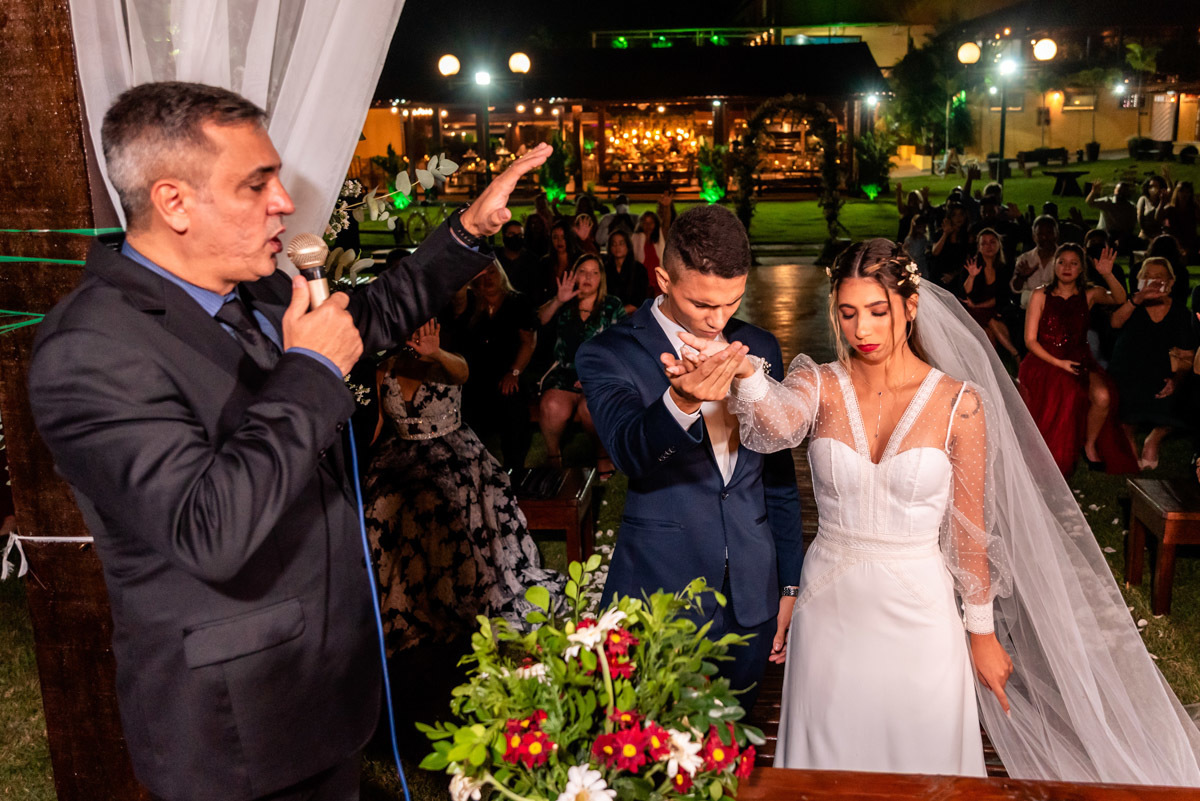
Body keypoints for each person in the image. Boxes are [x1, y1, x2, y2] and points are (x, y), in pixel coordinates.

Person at [25, 81, 549, 801]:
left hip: (326, 693)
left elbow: (369, 313)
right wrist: (310, 368)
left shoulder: (259, 290)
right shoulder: (91, 350)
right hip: (237, 733)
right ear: (173, 201)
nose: (284, 201)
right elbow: (210, 527)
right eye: (256, 183)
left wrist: (467, 232)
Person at [707, 238, 1200, 785]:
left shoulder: (958, 403)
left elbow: (969, 528)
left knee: (924, 765)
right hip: (831, 610)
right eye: (847, 313)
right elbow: (774, 425)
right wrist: (747, 376)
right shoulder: (818, 384)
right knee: (831, 767)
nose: (862, 330)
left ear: (910, 307)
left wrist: (982, 634)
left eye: (878, 311)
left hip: (920, 610)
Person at [576, 205, 803, 713]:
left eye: (732, 302)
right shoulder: (609, 352)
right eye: (701, 303)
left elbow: (779, 474)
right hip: (661, 593)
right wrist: (681, 402)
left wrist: (789, 581)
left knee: (733, 748)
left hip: (753, 589)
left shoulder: (759, 345)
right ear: (662, 279)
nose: (718, 319)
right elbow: (631, 452)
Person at [363, 319, 563, 655]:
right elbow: (379, 422)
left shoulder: (448, 360)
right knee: (380, 505)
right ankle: (403, 605)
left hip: (450, 451)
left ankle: (454, 598)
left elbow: (463, 374)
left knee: (439, 500)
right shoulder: (385, 366)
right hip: (400, 454)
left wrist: (436, 352)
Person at [1017, 243, 1137, 475]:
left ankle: (1089, 444)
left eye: (1074, 263)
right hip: (1045, 360)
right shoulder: (1040, 294)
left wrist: (1107, 274)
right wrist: (1058, 363)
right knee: (1067, 392)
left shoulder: (1089, 294)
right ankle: (1054, 456)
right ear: (1055, 266)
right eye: (1062, 262)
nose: (1067, 267)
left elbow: (1120, 298)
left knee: (1103, 396)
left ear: (1081, 268)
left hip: (1080, 359)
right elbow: (1030, 341)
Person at [536, 254, 626, 477]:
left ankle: (602, 455)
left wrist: (596, 375)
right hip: (564, 373)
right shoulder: (564, 302)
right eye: (583, 271)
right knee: (552, 405)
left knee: (591, 408)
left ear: (601, 278)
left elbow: (623, 346)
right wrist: (558, 300)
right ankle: (553, 456)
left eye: (595, 273)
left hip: (599, 375)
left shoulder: (611, 305)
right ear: (575, 275)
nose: (588, 277)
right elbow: (538, 320)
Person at [1108, 257, 1198, 469]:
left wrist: (1176, 380)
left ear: (1171, 282)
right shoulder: (1132, 303)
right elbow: (1115, 322)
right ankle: (1129, 444)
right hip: (1128, 372)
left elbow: (1186, 355)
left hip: (1163, 375)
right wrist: (1137, 299)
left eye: (1159, 277)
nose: (1153, 282)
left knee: (1185, 400)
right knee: (1125, 414)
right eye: (1147, 276)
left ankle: (1154, 438)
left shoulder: (1180, 313)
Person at [460, 261, 538, 470]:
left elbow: (528, 341)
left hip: (508, 371)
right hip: (476, 374)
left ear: (500, 274)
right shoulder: (470, 304)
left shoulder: (517, 302)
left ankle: (515, 467)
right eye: (481, 274)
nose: (487, 278)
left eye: (492, 273)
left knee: (512, 403)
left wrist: (514, 372)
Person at [954, 228, 1018, 361]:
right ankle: (1016, 355)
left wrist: (979, 306)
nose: (988, 246)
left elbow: (1001, 297)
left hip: (989, 309)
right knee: (991, 325)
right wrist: (971, 277)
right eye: (984, 243)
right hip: (971, 311)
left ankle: (1006, 361)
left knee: (991, 327)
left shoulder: (1003, 268)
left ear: (998, 245)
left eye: (992, 242)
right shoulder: (972, 265)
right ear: (979, 247)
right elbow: (963, 293)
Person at [1011, 215, 1059, 309]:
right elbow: (1016, 289)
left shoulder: (1065, 258)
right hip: (1028, 311)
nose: (1045, 237)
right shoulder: (1025, 258)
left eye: (1049, 233)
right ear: (1034, 237)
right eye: (1040, 234)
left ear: (1056, 234)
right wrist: (1022, 277)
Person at [603, 229, 648, 315]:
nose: (617, 247)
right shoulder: (605, 268)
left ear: (628, 245)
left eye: (621, 243)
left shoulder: (639, 269)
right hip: (607, 313)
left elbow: (639, 300)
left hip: (633, 314)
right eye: (614, 244)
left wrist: (618, 313)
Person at [1086, 179, 1138, 253]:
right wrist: (1093, 192)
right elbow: (1090, 203)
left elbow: (1130, 226)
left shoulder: (1130, 207)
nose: (1121, 194)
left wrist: (1122, 237)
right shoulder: (1108, 202)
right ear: (1115, 191)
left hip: (1121, 234)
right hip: (1106, 232)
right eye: (1119, 191)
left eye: (1124, 192)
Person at [495, 219, 539, 298]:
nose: (515, 238)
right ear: (503, 236)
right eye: (511, 234)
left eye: (520, 235)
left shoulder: (532, 261)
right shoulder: (495, 258)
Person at [1157, 180, 1199, 264]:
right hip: (1174, 240)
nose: (1185, 194)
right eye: (1182, 191)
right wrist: (1162, 202)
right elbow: (1158, 218)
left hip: (1189, 240)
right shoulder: (1171, 208)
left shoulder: (1193, 208)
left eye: (1188, 192)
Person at [631, 210, 665, 296]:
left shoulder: (659, 239)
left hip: (657, 283)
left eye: (651, 223)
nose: (648, 226)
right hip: (641, 283)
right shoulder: (636, 238)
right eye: (645, 222)